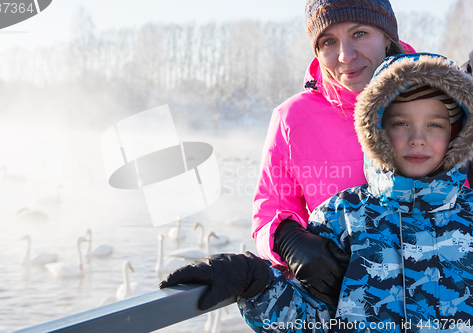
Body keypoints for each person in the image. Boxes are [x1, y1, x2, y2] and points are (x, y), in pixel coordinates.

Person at [162, 52, 473, 331]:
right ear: (376, 129)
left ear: (456, 133)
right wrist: (256, 283)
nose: (417, 138)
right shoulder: (343, 217)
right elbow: (314, 322)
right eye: (401, 123)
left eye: (434, 125)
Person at [252, 0, 415, 306]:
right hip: (348, 306)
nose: (345, 56)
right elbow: (268, 213)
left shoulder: (441, 100)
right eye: (329, 41)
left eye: (360, 33)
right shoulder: (293, 119)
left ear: (387, 36)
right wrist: (289, 240)